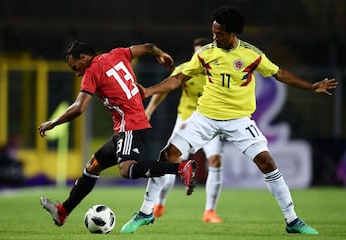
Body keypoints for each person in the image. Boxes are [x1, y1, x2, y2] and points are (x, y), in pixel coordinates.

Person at [122, 5, 338, 234]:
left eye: (220, 33)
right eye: (213, 32)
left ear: (233, 32)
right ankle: (146, 213)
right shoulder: (206, 52)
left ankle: (293, 220)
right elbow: (178, 79)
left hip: (238, 120)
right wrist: (148, 91)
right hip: (205, 117)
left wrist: (311, 87)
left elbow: (279, 73)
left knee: (267, 162)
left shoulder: (251, 55)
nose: (215, 37)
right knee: (168, 154)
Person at [38, 40, 197, 227]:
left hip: (131, 125)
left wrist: (53, 122)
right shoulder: (116, 54)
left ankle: (180, 168)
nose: (78, 73)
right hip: (127, 125)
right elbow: (147, 47)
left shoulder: (92, 71)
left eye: (75, 68)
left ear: (84, 58)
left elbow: (79, 107)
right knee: (93, 166)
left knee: (126, 169)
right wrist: (160, 53)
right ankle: (62, 211)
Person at [145, 38, 224, 223]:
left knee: (216, 160)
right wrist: (149, 111)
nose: (198, 55)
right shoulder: (185, 69)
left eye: (202, 52)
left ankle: (209, 212)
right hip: (186, 120)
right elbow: (164, 90)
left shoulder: (218, 71)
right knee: (173, 160)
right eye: (196, 52)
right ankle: (160, 203)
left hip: (211, 120)